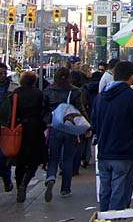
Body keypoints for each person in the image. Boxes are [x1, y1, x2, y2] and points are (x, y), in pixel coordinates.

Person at [93, 61, 133, 212]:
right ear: (131, 77)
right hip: (124, 151)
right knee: (120, 193)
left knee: (105, 192)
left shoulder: (100, 97)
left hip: (104, 151)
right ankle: (116, 218)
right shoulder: (131, 96)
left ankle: (104, 218)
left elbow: (94, 123)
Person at [42, 66, 87, 201]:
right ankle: (65, 189)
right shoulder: (75, 91)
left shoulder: (48, 91)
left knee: (53, 157)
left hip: (55, 127)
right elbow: (80, 109)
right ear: (69, 77)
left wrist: (47, 122)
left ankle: (50, 177)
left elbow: (44, 109)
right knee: (68, 159)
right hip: (70, 128)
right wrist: (87, 125)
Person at [7, 71, 44, 202]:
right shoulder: (39, 93)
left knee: (20, 162)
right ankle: (25, 183)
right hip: (35, 129)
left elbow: (11, 112)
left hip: (20, 128)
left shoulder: (16, 93)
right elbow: (43, 111)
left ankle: (19, 186)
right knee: (34, 160)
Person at [0, 62, 18, 191]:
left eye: (4, 73)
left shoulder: (12, 87)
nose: (2, 75)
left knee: (4, 156)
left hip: (7, 126)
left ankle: (6, 179)